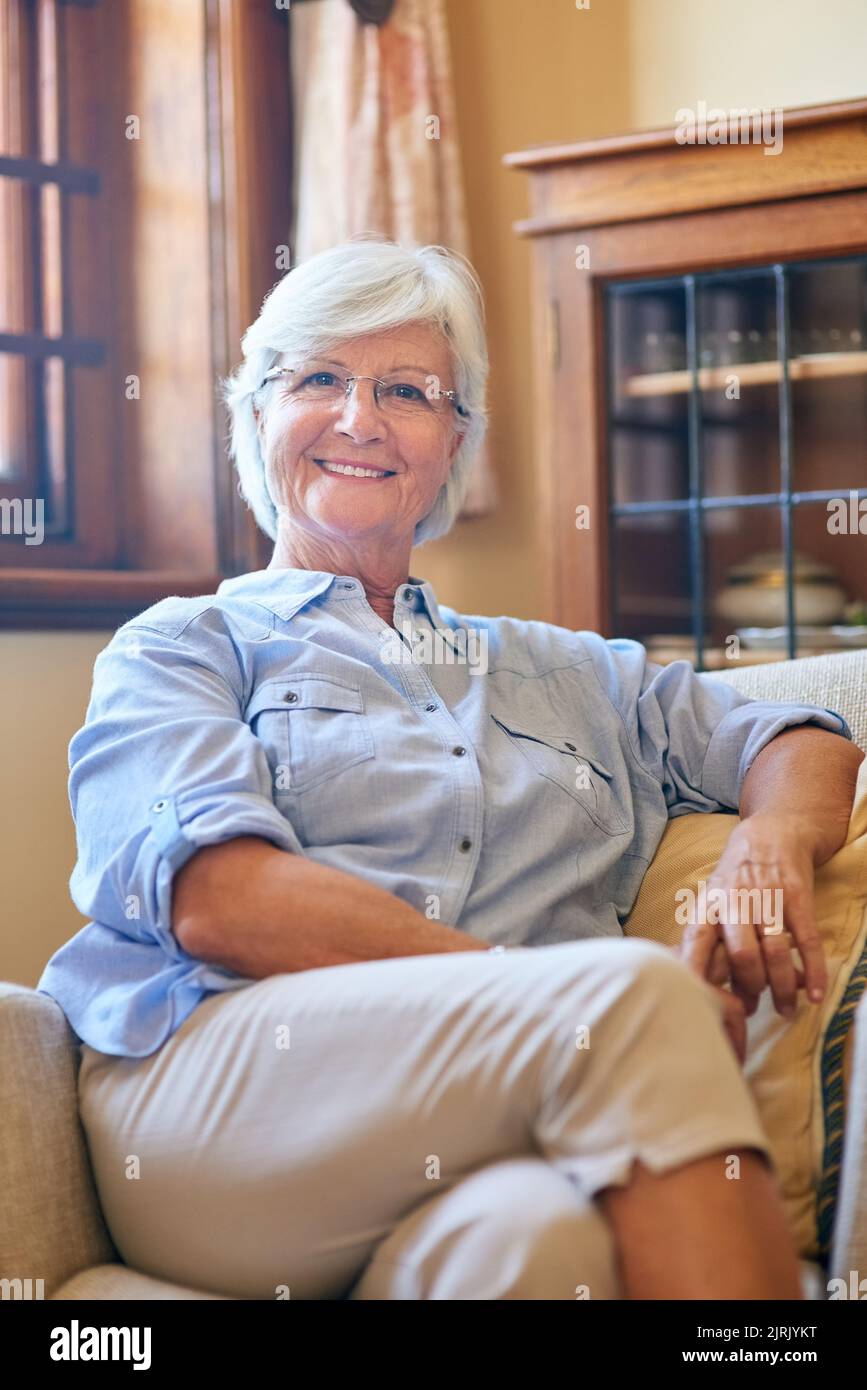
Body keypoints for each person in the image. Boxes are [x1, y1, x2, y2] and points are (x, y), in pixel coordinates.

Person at [38, 237, 863, 1299]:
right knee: (625, 1002)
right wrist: (542, 989)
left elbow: (798, 738)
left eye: (407, 391)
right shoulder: (184, 644)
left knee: (537, 1249)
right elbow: (218, 897)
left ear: (454, 438)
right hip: (222, 1100)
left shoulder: (570, 670)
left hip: (493, 1128)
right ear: (257, 416)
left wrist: (767, 845)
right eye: (319, 378)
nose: (359, 419)